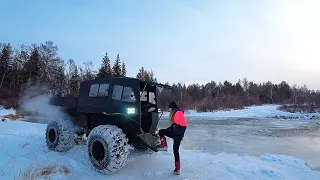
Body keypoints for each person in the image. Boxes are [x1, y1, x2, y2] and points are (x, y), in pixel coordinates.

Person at [158, 101, 188, 175]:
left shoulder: (177, 114)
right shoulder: (179, 112)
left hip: (177, 134)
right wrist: (170, 129)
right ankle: (177, 169)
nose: (169, 111)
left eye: (169, 109)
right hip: (179, 135)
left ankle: (164, 145)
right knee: (175, 151)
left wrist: (170, 131)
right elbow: (177, 125)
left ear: (172, 108)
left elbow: (178, 126)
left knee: (161, 132)